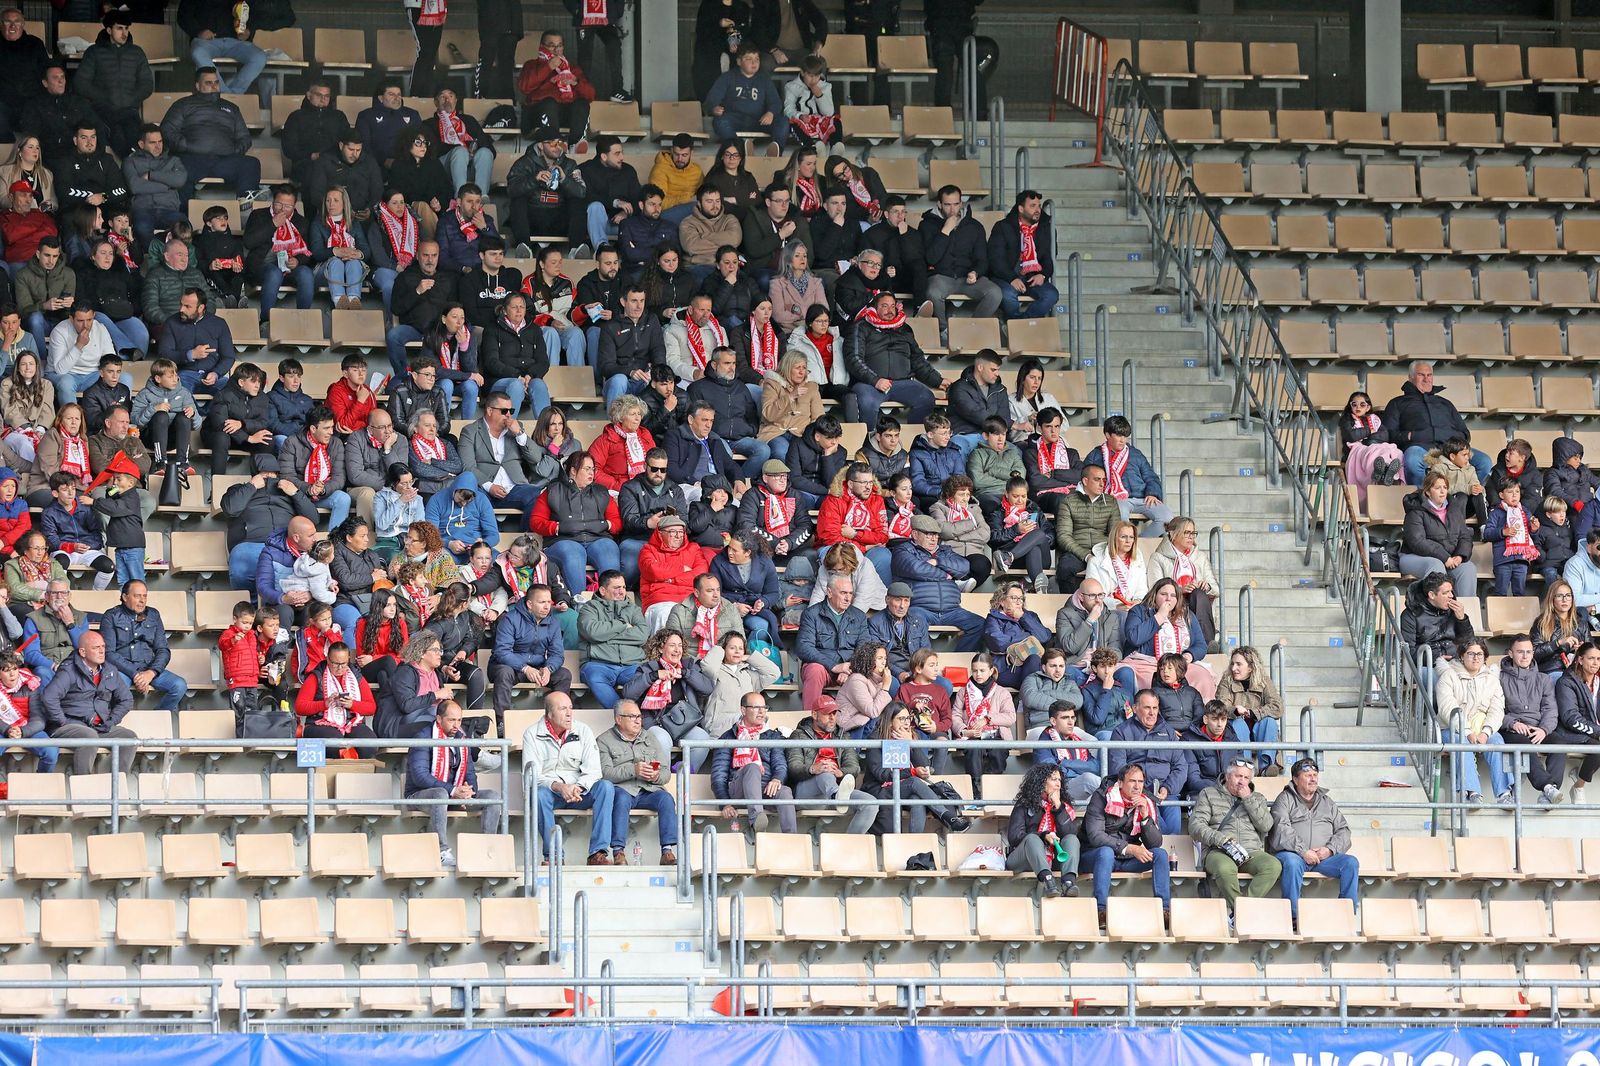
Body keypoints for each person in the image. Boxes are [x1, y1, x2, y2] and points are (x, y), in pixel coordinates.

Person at [525, 690, 618, 865]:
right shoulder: (531, 734)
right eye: (562, 709)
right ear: (549, 713)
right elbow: (531, 776)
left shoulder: (583, 730)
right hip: (552, 792)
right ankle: (553, 856)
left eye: (570, 708)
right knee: (538, 794)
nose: (569, 713)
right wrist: (560, 787)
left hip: (579, 791)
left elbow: (594, 770)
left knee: (606, 787)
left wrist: (578, 787)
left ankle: (597, 853)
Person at [406, 699, 501, 867]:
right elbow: (420, 776)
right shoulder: (422, 737)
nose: (456, 725)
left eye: (459, 720)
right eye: (451, 720)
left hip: (453, 794)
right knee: (440, 794)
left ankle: (486, 850)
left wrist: (468, 791)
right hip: (421, 795)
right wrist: (453, 791)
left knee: (492, 797)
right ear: (439, 719)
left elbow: (470, 772)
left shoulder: (461, 738)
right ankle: (441, 850)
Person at [1268, 757, 1359, 923]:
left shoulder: (1327, 802)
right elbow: (1281, 829)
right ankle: (1293, 917)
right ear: (1295, 779)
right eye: (1307, 774)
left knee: (1350, 862)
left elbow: (1344, 831)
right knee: (1293, 863)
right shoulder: (1284, 799)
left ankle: (1347, 915)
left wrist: (1329, 850)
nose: (1313, 778)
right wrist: (1303, 851)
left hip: (1322, 858)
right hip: (1293, 855)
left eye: (1315, 774)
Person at [1080, 763, 1171, 924]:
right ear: (1120, 783)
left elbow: (1155, 843)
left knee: (1160, 854)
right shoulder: (1102, 797)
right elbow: (1096, 837)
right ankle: (1101, 910)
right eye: (1132, 781)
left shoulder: (1147, 802)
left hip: (1125, 859)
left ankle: (1164, 911)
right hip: (1094, 856)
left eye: (1141, 782)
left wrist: (1145, 817)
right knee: (1106, 852)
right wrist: (1129, 848)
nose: (1137, 787)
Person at [1189, 758, 1281, 910]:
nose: (1242, 782)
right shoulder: (1209, 794)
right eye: (1238, 776)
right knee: (1225, 868)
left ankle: (1243, 909)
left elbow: (1266, 826)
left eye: (1246, 778)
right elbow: (1195, 826)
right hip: (1219, 850)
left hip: (1250, 851)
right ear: (1227, 776)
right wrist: (1220, 839)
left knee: (1273, 866)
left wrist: (1248, 799)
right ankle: (1240, 910)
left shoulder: (1257, 798)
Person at [37, 631, 135, 774]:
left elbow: (126, 699)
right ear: (82, 652)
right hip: (68, 726)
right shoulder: (69, 670)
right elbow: (49, 697)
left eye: (103, 646)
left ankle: (116, 788)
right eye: (96, 648)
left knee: (129, 738)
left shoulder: (110, 670)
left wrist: (111, 721)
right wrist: (62, 721)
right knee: (89, 737)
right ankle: (83, 789)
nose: (102, 651)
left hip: (99, 727)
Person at [1382, 361, 1492, 486]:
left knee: (1484, 462)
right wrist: (1412, 436)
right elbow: (1388, 435)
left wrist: (1446, 436)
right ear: (1410, 377)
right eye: (1421, 375)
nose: (1426, 379)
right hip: (1420, 448)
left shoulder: (1445, 403)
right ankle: (1424, 499)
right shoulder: (1397, 403)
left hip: (1451, 449)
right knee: (1412, 459)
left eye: (1429, 375)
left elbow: (1465, 434)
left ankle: (1455, 493)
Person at [597, 700, 679, 865]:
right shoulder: (604, 740)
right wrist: (633, 770)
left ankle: (667, 851)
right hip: (623, 789)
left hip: (648, 789)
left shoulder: (650, 737)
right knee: (620, 799)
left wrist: (656, 776)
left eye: (639, 716)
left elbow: (665, 772)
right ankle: (618, 851)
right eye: (632, 716)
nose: (637, 720)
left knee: (666, 799)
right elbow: (604, 774)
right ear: (619, 719)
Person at [1106, 688, 1196, 835]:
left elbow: (1180, 766)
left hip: (1166, 792)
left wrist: (1167, 788)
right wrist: (1138, 789)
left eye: (1155, 708)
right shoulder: (1121, 731)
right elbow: (1118, 768)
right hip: (1139, 793)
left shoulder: (1168, 732)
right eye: (1147, 708)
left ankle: (1170, 857)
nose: (1152, 713)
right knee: (1160, 829)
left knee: (1174, 827)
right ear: (1135, 708)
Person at [848, 291, 945, 427]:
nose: (890, 310)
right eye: (884, 306)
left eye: (893, 306)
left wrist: (938, 380)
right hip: (869, 384)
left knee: (926, 398)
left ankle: (912, 441)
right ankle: (869, 442)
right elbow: (854, 358)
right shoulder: (861, 327)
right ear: (874, 308)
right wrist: (875, 380)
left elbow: (917, 359)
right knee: (867, 402)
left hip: (902, 383)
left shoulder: (905, 329)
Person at [160, 68, 258, 198]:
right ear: (197, 86)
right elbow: (167, 130)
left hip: (224, 160)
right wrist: (185, 146)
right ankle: (182, 214)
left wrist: (233, 151)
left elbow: (244, 137)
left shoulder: (231, 108)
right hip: (191, 158)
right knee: (178, 167)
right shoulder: (183, 104)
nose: (214, 86)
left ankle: (246, 205)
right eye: (208, 83)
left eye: (216, 82)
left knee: (251, 163)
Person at [1436, 636, 1511, 806]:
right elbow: (1448, 708)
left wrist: (1486, 732)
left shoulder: (1491, 679)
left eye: (1480, 654)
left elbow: (1497, 709)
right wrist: (1468, 732)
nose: (1476, 657)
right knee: (1462, 742)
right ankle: (1471, 792)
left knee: (1497, 740)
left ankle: (1504, 794)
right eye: (1470, 653)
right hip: (1452, 728)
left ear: (1485, 657)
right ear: (1462, 656)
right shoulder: (1448, 676)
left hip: (1482, 729)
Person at [918, 184, 1000, 331]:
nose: (952, 209)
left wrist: (976, 272)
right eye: (947, 204)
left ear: (961, 203)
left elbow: (982, 259)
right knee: (932, 292)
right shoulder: (927, 225)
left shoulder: (975, 226)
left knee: (995, 293)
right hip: (941, 277)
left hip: (968, 279)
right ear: (939, 204)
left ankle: (970, 329)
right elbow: (930, 259)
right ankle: (943, 332)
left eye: (956, 204)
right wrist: (945, 231)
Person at [712, 691, 796, 835]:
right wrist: (725, 803)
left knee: (785, 792)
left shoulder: (772, 736)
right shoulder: (729, 737)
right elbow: (719, 776)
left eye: (764, 707)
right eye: (756, 707)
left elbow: (780, 764)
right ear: (743, 710)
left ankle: (792, 840)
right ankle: (757, 820)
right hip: (738, 791)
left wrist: (777, 779)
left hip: (764, 789)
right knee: (752, 767)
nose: (762, 712)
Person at [75, 11, 153, 158]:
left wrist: (131, 99)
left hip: (129, 110)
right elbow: (81, 83)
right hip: (103, 111)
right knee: (116, 136)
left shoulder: (137, 53)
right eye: (119, 28)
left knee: (136, 138)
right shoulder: (94, 52)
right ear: (109, 30)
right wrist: (104, 98)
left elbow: (147, 84)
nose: (124, 33)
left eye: (126, 28)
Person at [1500, 634, 1563, 805]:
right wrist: (1512, 723)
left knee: (1558, 742)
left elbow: (1550, 709)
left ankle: (1550, 792)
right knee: (1522, 743)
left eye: (1529, 652)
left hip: (1538, 728)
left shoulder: (1543, 679)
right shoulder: (1499, 678)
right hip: (1512, 730)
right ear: (1510, 653)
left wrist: (1544, 729)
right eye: (1520, 652)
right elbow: (1495, 710)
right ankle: (1547, 786)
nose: (1525, 656)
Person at [1004, 763, 1080, 897]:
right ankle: (1048, 881)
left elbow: (1070, 835)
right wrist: (1043, 836)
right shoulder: (1024, 804)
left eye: (1059, 780)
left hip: (1055, 858)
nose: (1058, 784)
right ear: (1041, 781)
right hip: (1024, 858)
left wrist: (1058, 807)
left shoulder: (1064, 807)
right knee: (1032, 839)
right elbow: (1014, 837)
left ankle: (1068, 883)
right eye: (1053, 779)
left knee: (1072, 839)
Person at [244, 184, 315, 325]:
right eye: (278, 204)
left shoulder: (301, 222)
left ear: (294, 206)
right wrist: (273, 224)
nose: (282, 209)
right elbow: (249, 242)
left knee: (306, 273)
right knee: (274, 272)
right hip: (262, 266)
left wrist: (298, 261)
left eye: (288, 206)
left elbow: (307, 253)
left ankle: (303, 321)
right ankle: (266, 321)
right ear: (273, 201)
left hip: (289, 268)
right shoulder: (258, 215)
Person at [578, 569, 649, 709]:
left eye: (623, 587)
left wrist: (606, 636)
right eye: (616, 588)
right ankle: (622, 714)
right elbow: (592, 632)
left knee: (646, 679)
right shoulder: (589, 608)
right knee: (595, 678)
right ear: (603, 590)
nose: (622, 591)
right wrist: (623, 625)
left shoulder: (633, 609)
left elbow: (642, 635)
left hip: (631, 664)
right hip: (598, 664)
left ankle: (634, 716)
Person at [1400, 472, 1478, 598]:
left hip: (1448, 559)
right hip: (1412, 556)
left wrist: (1459, 556)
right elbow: (1417, 541)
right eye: (1437, 488)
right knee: (1435, 565)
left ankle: (1464, 613)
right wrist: (1445, 557)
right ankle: (1436, 612)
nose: (1442, 491)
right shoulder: (1415, 510)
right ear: (1427, 492)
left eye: (1445, 488)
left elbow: (1465, 537)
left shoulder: (1454, 509)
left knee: (1468, 568)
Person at [1086, 414, 1172, 527]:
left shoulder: (1136, 454)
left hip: (1142, 499)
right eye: (1118, 435)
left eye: (1125, 436)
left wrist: (1152, 494)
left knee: (1167, 518)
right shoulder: (1096, 454)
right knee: (1121, 516)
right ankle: (1126, 541)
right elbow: (1085, 478)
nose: (1122, 440)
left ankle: (1138, 541)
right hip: (1114, 500)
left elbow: (1151, 477)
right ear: (1107, 435)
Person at [797, 574, 869, 708]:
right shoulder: (812, 614)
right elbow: (804, 647)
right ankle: (810, 720)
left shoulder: (859, 616)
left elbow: (864, 649)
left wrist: (850, 669)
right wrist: (834, 666)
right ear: (829, 592)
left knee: (874, 673)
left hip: (850, 669)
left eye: (850, 593)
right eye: (843, 593)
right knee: (814, 670)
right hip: (823, 668)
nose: (848, 598)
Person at [986, 189, 1057, 320]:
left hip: (1032, 276)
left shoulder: (1046, 228)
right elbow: (995, 258)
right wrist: (1012, 278)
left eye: (1039, 206)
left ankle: (1020, 324)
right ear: (1020, 208)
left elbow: (1049, 257)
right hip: (1006, 276)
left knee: (1051, 295)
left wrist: (1043, 274)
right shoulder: (1003, 226)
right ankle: (1016, 327)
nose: (1038, 210)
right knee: (1008, 296)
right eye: (1032, 206)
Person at [1214, 645, 1284, 776]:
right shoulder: (1226, 681)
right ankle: (1245, 766)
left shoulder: (1264, 681)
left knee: (1269, 722)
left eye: (1239, 664)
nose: (1234, 668)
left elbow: (1277, 707)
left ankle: (1267, 768)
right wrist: (1235, 710)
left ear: (1251, 667)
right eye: (1232, 664)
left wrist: (1254, 713)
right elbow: (1221, 705)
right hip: (1236, 725)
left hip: (1258, 725)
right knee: (1238, 723)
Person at [506, 137, 585, 250]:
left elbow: (582, 192)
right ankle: (524, 247)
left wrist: (564, 179)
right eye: (553, 144)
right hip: (533, 219)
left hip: (559, 219)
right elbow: (512, 190)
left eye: (560, 143)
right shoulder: (524, 162)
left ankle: (576, 249)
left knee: (577, 201)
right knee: (518, 199)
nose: (557, 147)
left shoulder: (569, 164)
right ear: (541, 146)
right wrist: (534, 180)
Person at [518, 29, 593, 147]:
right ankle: (554, 142)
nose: (557, 50)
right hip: (539, 114)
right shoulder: (532, 65)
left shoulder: (572, 68)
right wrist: (548, 67)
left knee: (582, 104)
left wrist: (575, 82)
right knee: (549, 103)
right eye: (552, 46)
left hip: (565, 113)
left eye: (559, 45)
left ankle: (576, 143)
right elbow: (524, 87)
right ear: (542, 47)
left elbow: (591, 95)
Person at [177, 0, 268, 95]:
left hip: (236, 42)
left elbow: (253, 15)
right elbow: (183, 16)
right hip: (206, 42)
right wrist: (198, 32)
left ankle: (231, 95)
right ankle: (225, 95)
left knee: (259, 57)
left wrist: (248, 33)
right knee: (198, 53)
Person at [707, 44, 788, 149]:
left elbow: (776, 102)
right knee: (720, 121)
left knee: (783, 121)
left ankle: (775, 151)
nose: (754, 62)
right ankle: (737, 148)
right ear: (739, 62)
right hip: (735, 119)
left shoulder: (764, 79)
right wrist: (714, 108)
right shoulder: (728, 77)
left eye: (757, 59)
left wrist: (770, 113)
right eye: (749, 59)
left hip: (758, 120)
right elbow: (712, 98)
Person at [20, 64, 101, 170]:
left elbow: (97, 127)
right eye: (55, 77)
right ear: (45, 83)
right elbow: (30, 135)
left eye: (62, 77)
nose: (60, 81)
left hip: (79, 157)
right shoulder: (35, 105)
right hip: (49, 158)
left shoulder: (78, 102)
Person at [122, 126, 185, 246]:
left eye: (160, 141)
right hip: (142, 210)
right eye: (152, 142)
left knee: (184, 226)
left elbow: (180, 180)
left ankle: (174, 259)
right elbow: (135, 186)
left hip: (169, 209)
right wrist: (167, 185)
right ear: (141, 144)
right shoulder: (130, 161)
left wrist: (151, 175)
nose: (158, 146)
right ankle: (151, 259)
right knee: (142, 228)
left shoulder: (173, 160)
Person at [984, 581, 1052, 690]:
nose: (1018, 602)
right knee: (1037, 676)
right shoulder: (994, 619)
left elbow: (1044, 637)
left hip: (1032, 665)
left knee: (1036, 662)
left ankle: (1023, 700)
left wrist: (1022, 617)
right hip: (1007, 668)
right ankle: (1027, 698)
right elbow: (998, 643)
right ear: (1002, 601)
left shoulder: (1030, 616)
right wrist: (1029, 636)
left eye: (1021, 598)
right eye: (1014, 598)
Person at [578, 136, 641, 253]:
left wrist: (626, 213)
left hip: (622, 225)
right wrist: (616, 203)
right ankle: (603, 250)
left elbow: (639, 200)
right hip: (594, 225)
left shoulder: (628, 171)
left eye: (622, 152)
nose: (622, 157)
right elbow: (585, 197)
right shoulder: (586, 169)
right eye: (617, 154)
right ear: (604, 156)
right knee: (595, 206)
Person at [1033, 700, 1101, 806]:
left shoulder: (1076, 740)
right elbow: (1053, 773)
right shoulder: (1044, 742)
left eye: (1072, 717)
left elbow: (1096, 767)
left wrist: (1064, 763)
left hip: (1080, 793)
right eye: (1065, 718)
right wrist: (1080, 770)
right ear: (1053, 721)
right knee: (1088, 779)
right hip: (1059, 792)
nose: (1070, 722)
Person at [280, 82, 348, 187]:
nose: (323, 99)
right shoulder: (296, 117)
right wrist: (310, 155)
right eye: (318, 95)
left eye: (327, 96)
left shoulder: (339, 117)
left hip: (335, 163)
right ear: (308, 95)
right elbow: (288, 148)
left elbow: (347, 140)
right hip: (305, 164)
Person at [427, 89, 494, 194]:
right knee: (460, 151)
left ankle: (481, 196)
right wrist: (458, 147)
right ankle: (460, 196)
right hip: (443, 168)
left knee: (485, 152)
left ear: (456, 101)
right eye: (442, 97)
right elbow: (430, 152)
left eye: (451, 96)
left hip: (470, 167)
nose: (447, 100)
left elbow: (490, 148)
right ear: (436, 102)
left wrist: (474, 148)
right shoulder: (429, 124)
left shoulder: (469, 120)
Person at [0, 10, 47, 144]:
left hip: (30, 101)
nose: (13, 26)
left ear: (23, 24)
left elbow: (46, 71)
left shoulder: (35, 44)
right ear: (1, 24)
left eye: (17, 22)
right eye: (8, 22)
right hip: (3, 102)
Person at [357, 81, 423, 167]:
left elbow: (421, 140)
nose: (397, 98)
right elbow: (363, 145)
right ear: (381, 98)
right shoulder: (366, 116)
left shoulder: (412, 114)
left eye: (399, 94)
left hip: (408, 164)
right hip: (377, 166)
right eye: (391, 94)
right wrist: (383, 160)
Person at [436, 184, 498, 275]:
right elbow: (442, 257)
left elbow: (499, 250)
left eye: (477, 202)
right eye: (469, 201)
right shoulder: (446, 222)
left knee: (514, 273)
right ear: (459, 202)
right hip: (456, 272)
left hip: (482, 271)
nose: (474, 206)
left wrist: (485, 229)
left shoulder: (486, 220)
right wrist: (462, 268)